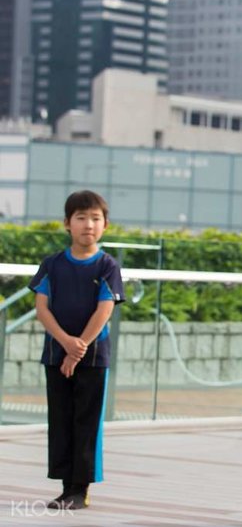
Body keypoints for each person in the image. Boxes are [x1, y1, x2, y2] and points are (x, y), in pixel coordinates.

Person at [30, 190, 124, 511]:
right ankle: (64, 487)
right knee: (61, 420)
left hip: (93, 360)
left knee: (87, 421)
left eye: (95, 218)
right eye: (81, 218)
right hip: (56, 356)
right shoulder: (51, 265)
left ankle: (80, 490)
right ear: (67, 224)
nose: (88, 225)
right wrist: (65, 344)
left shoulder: (107, 265)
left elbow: (104, 309)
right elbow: (42, 308)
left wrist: (77, 348)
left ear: (105, 225)